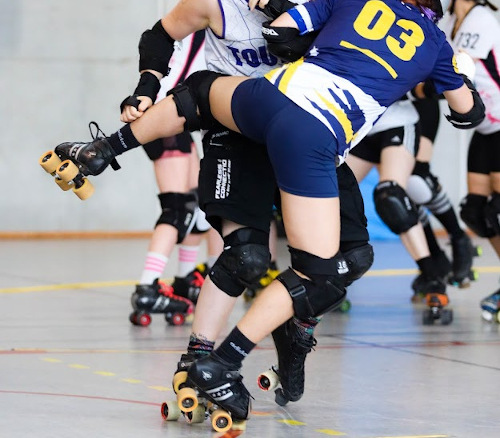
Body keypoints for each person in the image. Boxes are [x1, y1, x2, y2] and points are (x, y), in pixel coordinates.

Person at [49, 0, 484, 423]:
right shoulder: (214, 5)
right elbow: (162, 35)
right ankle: (205, 359)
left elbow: (290, 35)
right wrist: (146, 87)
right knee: (252, 257)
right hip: (252, 129)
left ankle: (293, 331)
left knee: (353, 256)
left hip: (272, 107)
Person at [126, 30, 225, 327]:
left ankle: (183, 279)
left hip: (176, 119)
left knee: (196, 202)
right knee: (177, 207)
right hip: (164, 115)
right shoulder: (203, 25)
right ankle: (148, 286)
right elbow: (178, 72)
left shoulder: (200, 24)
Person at [346, 98, 458, 323]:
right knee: (332, 196)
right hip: (357, 125)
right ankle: (328, 275)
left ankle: (432, 276)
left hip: (396, 121)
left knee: (392, 198)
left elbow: (424, 85)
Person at [438, 0, 500, 322]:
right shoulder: (449, 23)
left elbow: (459, 72)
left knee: (497, 209)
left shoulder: (482, 19)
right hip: (488, 127)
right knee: (477, 212)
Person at [406, 96, 478, 293]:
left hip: (418, 99)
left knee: (416, 180)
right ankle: (435, 260)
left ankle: (459, 239)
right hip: (382, 104)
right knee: (400, 192)